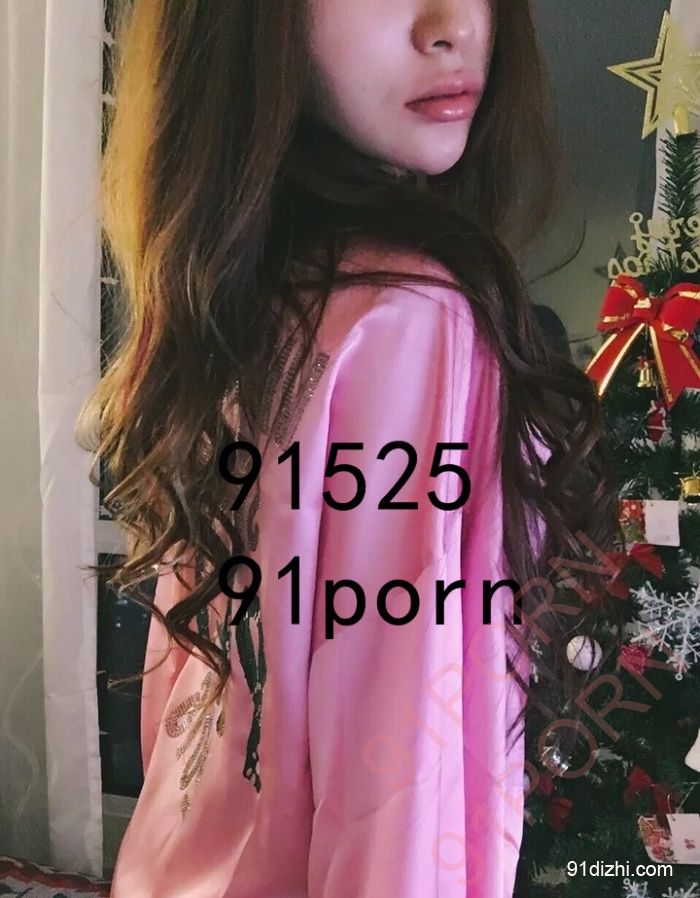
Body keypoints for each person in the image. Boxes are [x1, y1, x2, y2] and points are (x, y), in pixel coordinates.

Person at [77, 0, 622, 895]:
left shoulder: (258, 290)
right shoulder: (408, 318)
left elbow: (188, 703)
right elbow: (397, 789)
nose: (452, 24)